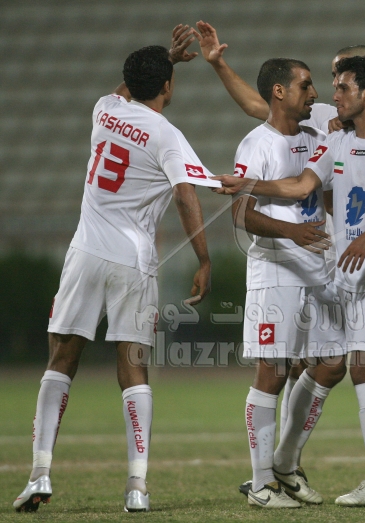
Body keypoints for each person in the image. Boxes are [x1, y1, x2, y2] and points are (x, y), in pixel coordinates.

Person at [195, 20, 365, 504]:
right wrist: (248, 183)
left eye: (340, 82)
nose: (328, 93)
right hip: (338, 269)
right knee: (347, 367)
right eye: (323, 82)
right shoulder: (331, 136)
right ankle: (298, 470)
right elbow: (297, 180)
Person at [13, 29, 217, 513]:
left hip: (85, 252)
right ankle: (137, 486)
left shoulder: (104, 109)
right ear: (167, 86)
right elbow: (185, 195)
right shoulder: (167, 135)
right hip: (132, 260)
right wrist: (204, 258)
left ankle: (39, 473)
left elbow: (124, 89)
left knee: (61, 358)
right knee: (133, 366)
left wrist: (164, 60)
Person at [230, 57, 351, 509]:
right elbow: (241, 213)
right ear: (279, 92)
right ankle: (262, 484)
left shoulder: (316, 139)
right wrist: (292, 232)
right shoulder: (255, 144)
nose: (314, 93)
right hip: (277, 270)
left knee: (333, 362)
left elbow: (325, 197)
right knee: (273, 372)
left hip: (319, 268)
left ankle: (284, 460)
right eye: (305, 85)